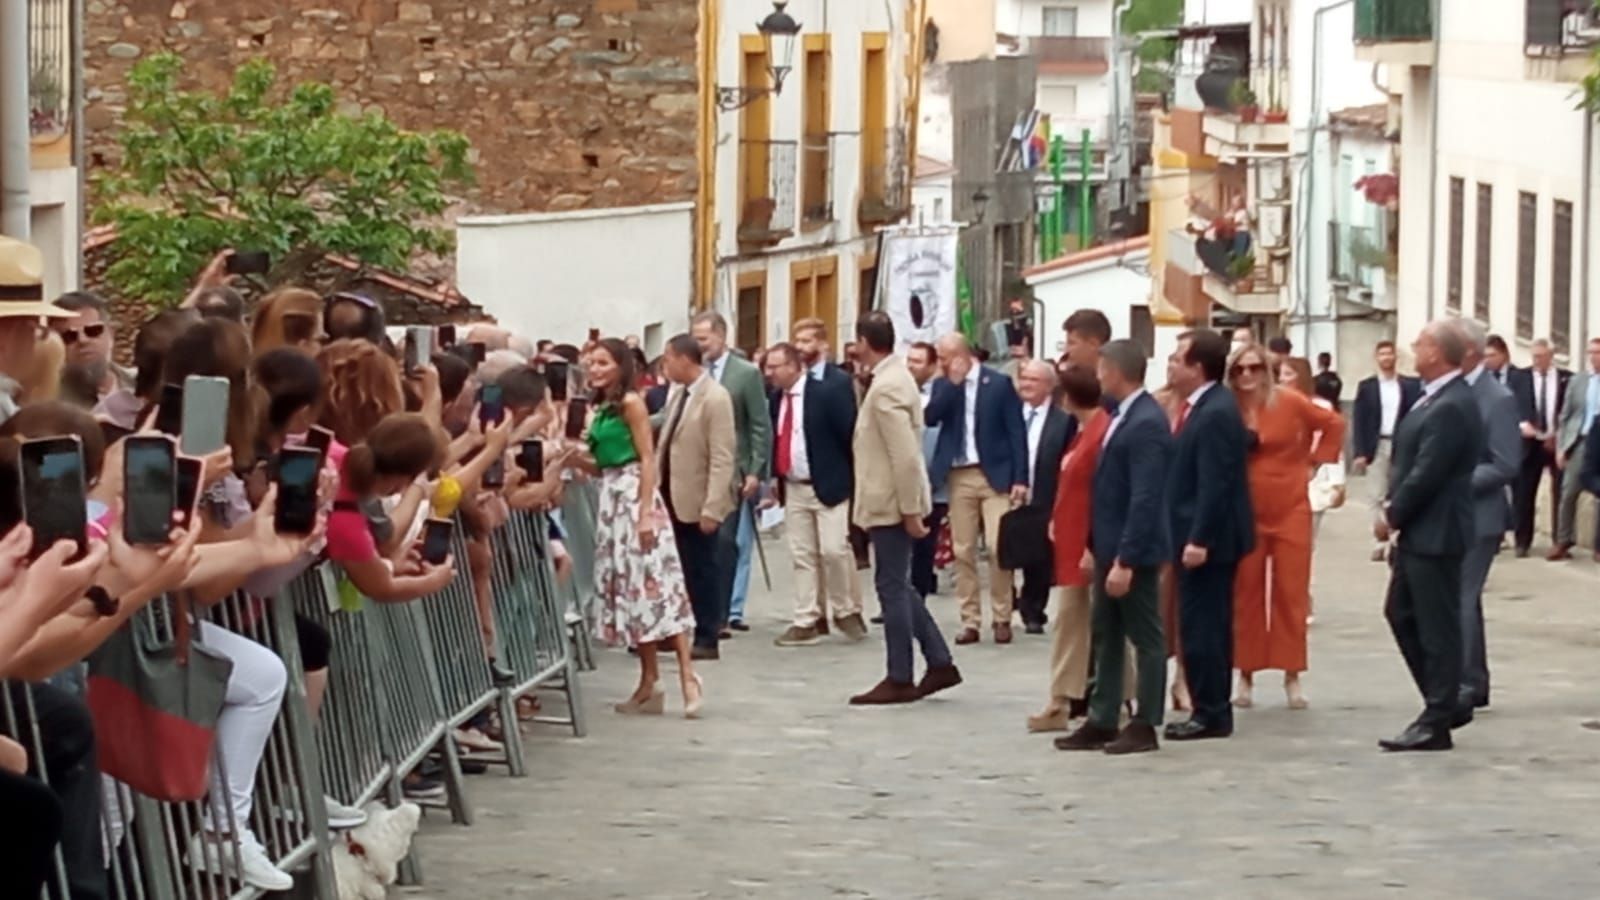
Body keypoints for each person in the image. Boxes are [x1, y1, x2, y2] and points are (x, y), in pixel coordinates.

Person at [569, 338, 703, 717]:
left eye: (602, 363)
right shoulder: (601, 410)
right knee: (631, 589)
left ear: (620, 366)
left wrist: (645, 510)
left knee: (659, 583)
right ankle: (649, 680)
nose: (594, 370)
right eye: (590, 363)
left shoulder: (631, 403)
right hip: (611, 495)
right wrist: (576, 460)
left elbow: (647, 458)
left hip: (635, 495)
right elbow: (601, 464)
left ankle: (687, 675)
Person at [1056, 340, 1172, 755]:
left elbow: (1144, 497)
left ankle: (1146, 721)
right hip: (1108, 546)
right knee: (1106, 632)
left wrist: (1126, 559)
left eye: (1102, 369)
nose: (1098, 376)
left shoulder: (1146, 423)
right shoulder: (1121, 417)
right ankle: (1103, 716)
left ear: (1118, 372)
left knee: (1145, 634)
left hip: (1132, 550)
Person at [1376, 320, 1482, 752]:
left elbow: (1428, 472)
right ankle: (1444, 699)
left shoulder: (1452, 404)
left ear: (1437, 352)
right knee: (1401, 613)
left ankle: (1438, 716)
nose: (1412, 350)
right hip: (1421, 533)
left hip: (1437, 531)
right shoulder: (1431, 399)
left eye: (1419, 344)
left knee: (1436, 626)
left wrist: (1393, 514)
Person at [846, 312, 960, 705]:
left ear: (864, 341)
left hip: (893, 502)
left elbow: (905, 456)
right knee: (899, 583)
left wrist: (911, 510)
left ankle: (900, 674)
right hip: (891, 500)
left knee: (891, 587)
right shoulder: (889, 380)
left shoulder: (889, 386)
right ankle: (939, 660)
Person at [1228, 342, 1345, 710]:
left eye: (1254, 368)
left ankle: (1291, 673)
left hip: (1290, 505)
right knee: (1245, 593)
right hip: (1244, 509)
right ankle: (1244, 674)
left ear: (1267, 370)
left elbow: (1333, 424)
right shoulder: (1226, 407)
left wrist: (1314, 462)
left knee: (1290, 592)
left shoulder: (1290, 401)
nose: (1247, 376)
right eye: (1240, 370)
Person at [1163, 330, 1253, 741]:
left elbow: (1215, 483)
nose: (1171, 364)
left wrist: (1199, 538)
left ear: (1198, 368)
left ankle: (1212, 710)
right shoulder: (1200, 407)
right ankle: (1208, 706)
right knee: (1198, 623)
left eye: (1178, 359)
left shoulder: (1215, 411)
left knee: (1205, 627)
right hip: (1193, 534)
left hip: (1210, 543)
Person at [925, 333, 1029, 644]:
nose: (940, 363)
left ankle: (1001, 614)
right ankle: (970, 618)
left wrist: (1020, 478)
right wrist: (952, 386)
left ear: (960, 355)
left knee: (999, 547)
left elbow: (1016, 431)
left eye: (944, 357)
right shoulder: (945, 385)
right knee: (962, 549)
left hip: (994, 473)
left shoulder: (996, 384)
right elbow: (930, 417)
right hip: (959, 473)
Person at [1029, 364, 1116, 732]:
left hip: (1085, 543)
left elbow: (1104, 493)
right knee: (1071, 622)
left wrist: (1092, 544)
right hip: (1068, 539)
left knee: (1095, 623)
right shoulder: (1083, 432)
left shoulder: (1101, 432)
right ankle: (1062, 698)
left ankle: (1094, 698)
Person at [764, 341, 861, 646]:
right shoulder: (776, 399)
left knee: (833, 550)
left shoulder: (826, 395)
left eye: (775, 367)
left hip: (828, 484)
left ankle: (846, 608)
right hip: (793, 486)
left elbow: (850, 436)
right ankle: (807, 617)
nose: (770, 373)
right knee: (802, 554)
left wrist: (853, 480)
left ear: (794, 366)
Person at [655, 334, 738, 661]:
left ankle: (707, 633)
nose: (665, 366)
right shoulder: (679, 395)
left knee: (703, 567)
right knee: (678, 567)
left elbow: (722, 456)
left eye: (668, 359)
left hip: (696, 497)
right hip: (671, 494)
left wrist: (713, 506)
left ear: (685, 359)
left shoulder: (715, 398)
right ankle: (675, 628)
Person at [1453, 320, 1519, 714]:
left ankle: (1465, 682)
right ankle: (1474, 680)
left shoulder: (1496, 397)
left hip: (1481, 514)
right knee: (1464, 599)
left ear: (1470, 352)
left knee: (1462, 596)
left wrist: (1455, 482)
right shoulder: (1459, 391)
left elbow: (1505, 462)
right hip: (1458, 515)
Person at [1013, 360, 1072, 634]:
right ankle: (1007, 603)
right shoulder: (1010, 414)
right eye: (1023, 378)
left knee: (1039, 555)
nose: (1026, 384)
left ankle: (1033, 609)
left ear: (1049, 386)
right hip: (1011, 492)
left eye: (1033, 380)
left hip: (1045, 494)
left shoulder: (1063, 421)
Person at [1350, 340, 1421, 561]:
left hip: (1402, 443)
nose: (1386, 358)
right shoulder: (1367, 387)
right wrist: (1360, 451)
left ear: (1395, 357)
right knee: (1376, 494)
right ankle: (1379, 539)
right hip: (1376, 443)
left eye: (1389, 354)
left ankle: (1396, 536)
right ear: (1376, 358)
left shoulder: (1409, 386)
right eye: (1382, 354)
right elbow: (1359, 420)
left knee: (1399, 490)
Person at [1508, 339, 1569, 557]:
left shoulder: (1565, 378)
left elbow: (1568, 409)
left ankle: (1559, 541)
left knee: (1560, 491)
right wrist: (1522, 424)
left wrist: (1559, 435)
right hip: (1529, 442)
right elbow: (1510, 406)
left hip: (1556, 441)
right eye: (1534, 356)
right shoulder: (1519, 378)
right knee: (1524, 491)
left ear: (1551, 356)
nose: (1537, 360)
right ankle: (1522, 540)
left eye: (1542, 356)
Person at [906, 342, 949, 605]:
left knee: (924, 543)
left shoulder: (941, 394)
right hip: (905, 477)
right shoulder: (901, 392)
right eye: (909, 360)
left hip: (932, 479)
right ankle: (901, 595)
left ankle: (917, 596)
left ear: (932, 366)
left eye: (918, 361)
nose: (911, 366)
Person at [1550, 337, 1600, 561]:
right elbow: (1565, 415)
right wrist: (1561, 447)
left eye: (1597, 353)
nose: (1593, 357)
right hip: (1580, 440)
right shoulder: (1579, 381)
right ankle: (1563, 539)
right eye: (1590, 352)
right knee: (1569, 491)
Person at [51, 290, 134, 402]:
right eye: (70, 336)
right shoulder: (50, 401)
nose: (82, 340)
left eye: (93, 331)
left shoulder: (142, 387)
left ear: (111, 334)